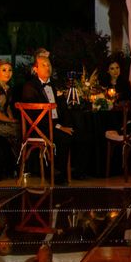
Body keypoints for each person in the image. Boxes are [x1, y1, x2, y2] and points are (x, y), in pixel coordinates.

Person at [18, 51, 76, 184]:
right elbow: (34, 115)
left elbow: (63, 108)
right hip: (38, 126)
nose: (47, 67)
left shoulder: (55, 84)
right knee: (64, 137)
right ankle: (58, 173)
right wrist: (59, 127)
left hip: (55, 123)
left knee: (79, 131)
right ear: (35, 69)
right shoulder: (30, 87)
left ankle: (77, 170)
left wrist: (65, 124)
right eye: (43, 65)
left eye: (48, 65)